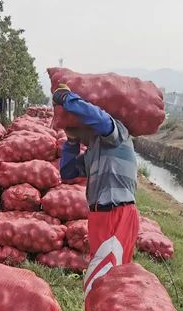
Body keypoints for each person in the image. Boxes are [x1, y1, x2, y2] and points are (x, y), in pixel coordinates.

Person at [53, 84, 140, 299]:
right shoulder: (94, 151)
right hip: (100, 216)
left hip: (117, 213)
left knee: (107, 278)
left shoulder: (117, 134)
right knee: (101, 274)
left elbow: (100, 119)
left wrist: (67, 99)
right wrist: (71, 142)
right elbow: (67, 172)